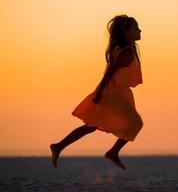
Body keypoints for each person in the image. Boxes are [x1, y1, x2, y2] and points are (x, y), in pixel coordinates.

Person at [50, 14, 143, 170]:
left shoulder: (126, 48)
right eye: (135, 28)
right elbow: (110, 72)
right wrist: (99, 91)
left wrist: (101, 90)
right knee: (135, 123)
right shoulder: (126, 52)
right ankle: (113, 152)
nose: (139, 30)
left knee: (92, 125)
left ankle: (58, 146)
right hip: (115, 93)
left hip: (117, 91)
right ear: (126, 32)